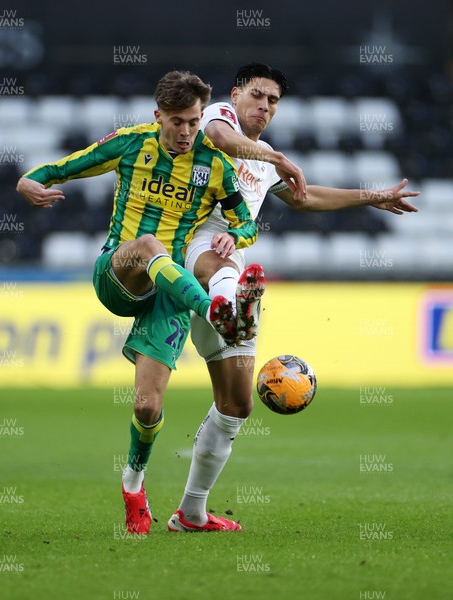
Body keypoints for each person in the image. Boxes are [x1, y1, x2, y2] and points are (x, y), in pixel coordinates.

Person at [167, 63, 420, 533]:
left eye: (273, 101)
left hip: (229, 270)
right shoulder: (216, 119)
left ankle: (191, 513)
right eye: (258, 95)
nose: (264, 106)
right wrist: (278, 158)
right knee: (220, 257)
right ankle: (229, 306)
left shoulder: (262, 155)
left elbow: (305, 198)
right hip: (185, 252)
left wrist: (370, 197)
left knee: (237, 405)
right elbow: (221, 139)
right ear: (236, 93)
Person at [16, 70, 265, 535]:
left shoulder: (216, 166)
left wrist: (235, 235)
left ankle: (133, 485)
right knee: (152, 244)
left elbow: (247, 223)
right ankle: (216, 310)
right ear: (158, 117)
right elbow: (61, 168)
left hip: (167, 293)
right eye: (177, 122)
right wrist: (28, 181)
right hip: (121, 269)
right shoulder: (131, 144)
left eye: (194, 121)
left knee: (148, 406)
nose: (187, 132)